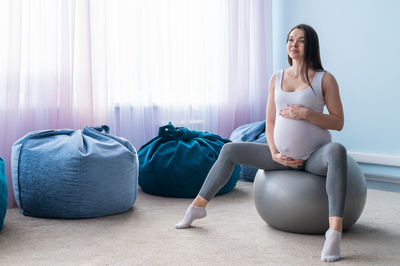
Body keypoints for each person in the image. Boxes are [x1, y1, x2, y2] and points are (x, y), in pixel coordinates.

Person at [175, 24, 347, 263]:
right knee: (229, 149)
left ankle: (334, 232)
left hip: (313, 156)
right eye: (290, 40)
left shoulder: (324, 79)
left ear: (311, 45)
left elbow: (338, 122)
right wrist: (275, 153)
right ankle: (197, 207)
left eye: (300, 41)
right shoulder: (276, 78)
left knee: (337, 150)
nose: (293, 45)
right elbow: (270, 120)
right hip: (279, 156)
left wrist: (306, 113)